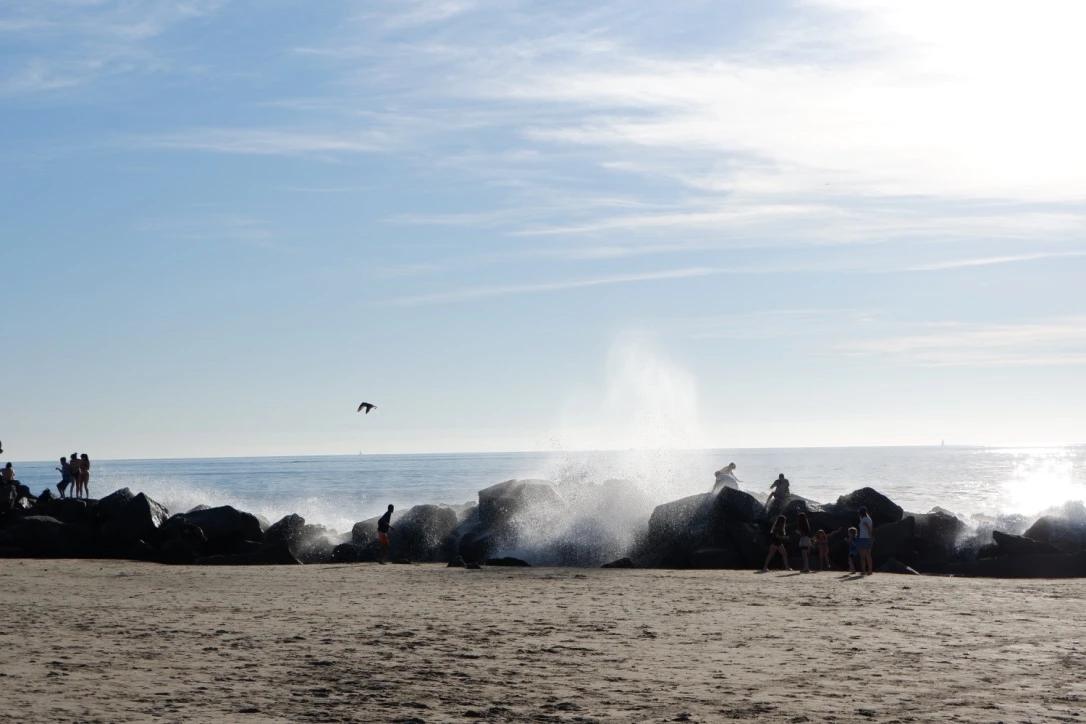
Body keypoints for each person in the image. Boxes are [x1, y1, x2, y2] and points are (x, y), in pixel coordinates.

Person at [856, 506, 875, 575]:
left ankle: (863, 571)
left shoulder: (863, 519)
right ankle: (870, 570)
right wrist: (870, 536)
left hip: (863, 538)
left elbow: (867, 527)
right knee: (868, 555)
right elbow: (871, 528)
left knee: (862, 556)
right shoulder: (869, 519)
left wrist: (869, 535)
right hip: (868, 539)